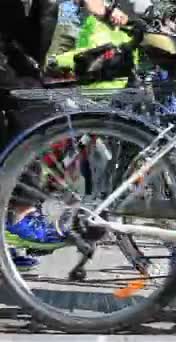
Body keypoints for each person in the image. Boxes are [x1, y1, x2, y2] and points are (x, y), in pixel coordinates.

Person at [0, 0, 128, 270]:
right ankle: (19, 214)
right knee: (33, 111)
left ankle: (8, 234)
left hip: (17, 47)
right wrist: (102, 8)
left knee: (30, 111)